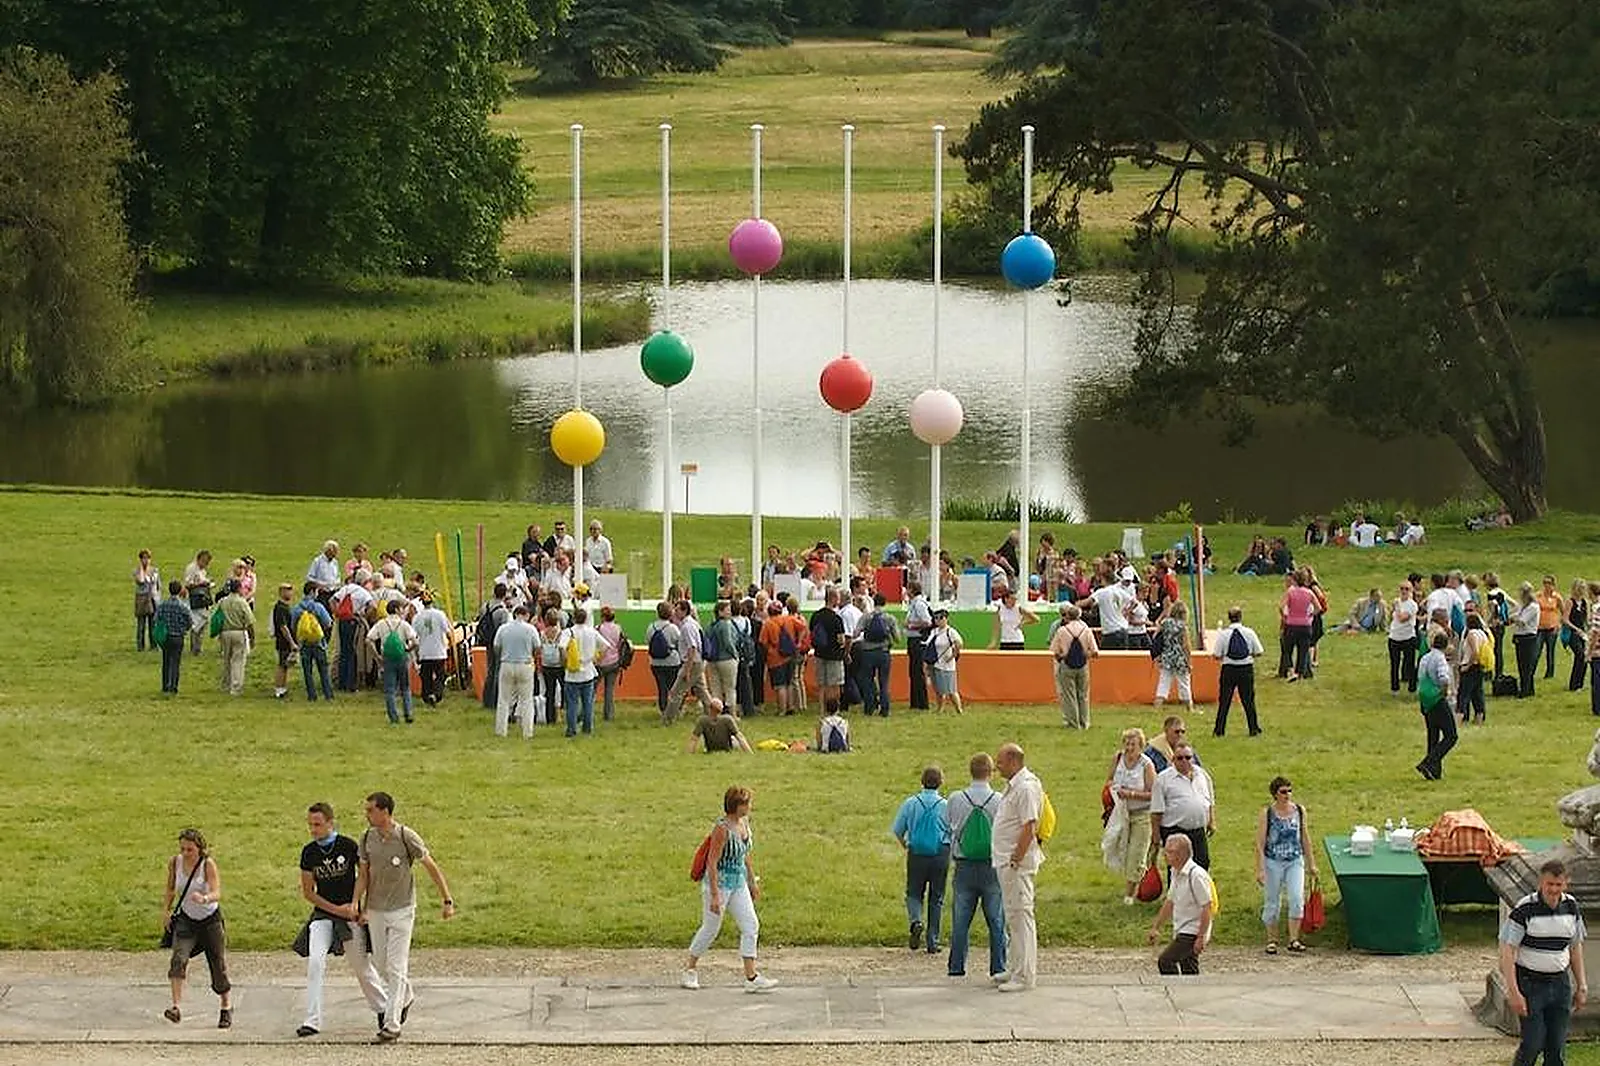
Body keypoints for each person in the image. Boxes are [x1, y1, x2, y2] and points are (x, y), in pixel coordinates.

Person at [356, 791, 456, 1044]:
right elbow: (364, 875)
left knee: (396, 965)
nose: (366, 814)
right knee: (380, 964)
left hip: (402, 910)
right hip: (377, 909)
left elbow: (431, 866)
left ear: (385, 811)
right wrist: (357, 904)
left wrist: (447, 900)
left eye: (370, 810)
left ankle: (391, 1024)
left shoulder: (405, 836)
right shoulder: (367, 838)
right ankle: (406, 994)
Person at [296, 803, 385, 1038]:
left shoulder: (347, 845)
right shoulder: (309, 853)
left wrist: (360, 907)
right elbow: (309, 892)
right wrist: (336, 909)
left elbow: (366, 877)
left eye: (317, 824)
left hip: (351, 915)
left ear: (330, 823)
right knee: (316, 962)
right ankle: (312, 1019)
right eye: (310, 825)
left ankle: (383, 1008)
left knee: (361, 966)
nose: (313, 830)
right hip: (324, 915)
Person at [682, 786, 777, 993]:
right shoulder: (722, 830)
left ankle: (751, 977)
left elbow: (744, 854)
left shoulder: (744, 823)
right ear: (737, 806)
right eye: (747, 804)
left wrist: (751, 881)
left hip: (738, 882)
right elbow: (712, 863)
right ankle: (690, 968)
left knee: (750, 925)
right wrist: (715, 895)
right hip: (720, 884)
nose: (750, 807)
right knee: (710, 928)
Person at [1500, 858, 1587, 1066]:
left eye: (1558, 885)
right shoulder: (1525, 908)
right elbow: (1508, 949)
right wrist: (1513, 991)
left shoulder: (1571, 906)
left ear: (1566, 883)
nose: (1553, 890)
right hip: (1530, 984)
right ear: (1541, 882)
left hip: (1560, 983)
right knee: (1532, 1043)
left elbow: (1575, 947)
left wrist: (1581, 984)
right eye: (1549, 884)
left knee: (1556, 1046)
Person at [161, 827, 232, 1028]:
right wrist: (166, 911)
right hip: (186, 919)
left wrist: (205, 897)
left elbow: (217, 892)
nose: (185, 853)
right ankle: (176, 1006)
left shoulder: (207, 865)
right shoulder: (175, 863)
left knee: (217, 964)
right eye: (182, 849)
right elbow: (170, 888)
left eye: (190, 849)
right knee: (178, 958)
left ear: (199, 849)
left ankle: (225, 1006)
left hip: (210, 919)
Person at [947, 752, 1007, 980]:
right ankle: (999, 966)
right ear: (991, 773)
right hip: (991, 866)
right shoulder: (999, 800)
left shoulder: (956, 798)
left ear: (970, 771)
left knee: (961, 920)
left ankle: (956, 966)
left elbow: (949, 826)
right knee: (996, 919)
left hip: (964, 865)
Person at [991, 742, 1044, 992]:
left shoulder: (1025, 788)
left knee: (1021, 915)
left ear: (1013, 761)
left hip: (1016, 864)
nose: (997, 766)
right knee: (1013, 915)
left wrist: (1016, 858)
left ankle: (1024, 975)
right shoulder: (1013, 786)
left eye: (1000, 762)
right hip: (1006, 861)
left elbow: (1029, 825)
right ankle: (1015, 967)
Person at [891, 766, 951, 954]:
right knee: (937, 897)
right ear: (940, 783)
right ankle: (933, 941)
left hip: (917, 852)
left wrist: (906, 845)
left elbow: (898, 829)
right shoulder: (945, 805)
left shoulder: (911, 803)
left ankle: (916, 920)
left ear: (922, 782)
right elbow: (953, 830)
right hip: (940, 853)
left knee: (914, 892)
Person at [1255, 776, 1317, 954]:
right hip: (1273, 860)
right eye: (1283, 791)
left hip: (1294, 860)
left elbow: (1304, 836)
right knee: (1272, 901)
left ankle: (1294, 939)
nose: (1287, 795)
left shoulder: (1299, 810)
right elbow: (1259, 842)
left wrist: (1311, 862)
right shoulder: (1267, 813)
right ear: (1275, 794)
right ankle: (1272, 939)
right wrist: (1259, 868)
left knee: (1297, 898)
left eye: (1289, 791)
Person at [1147, 833, 1214, 975]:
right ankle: (1192, 995)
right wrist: (1156, 927)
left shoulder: (1196, 876)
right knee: (1189, 967)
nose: (1165, 855)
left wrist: (1201, 937)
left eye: (1170, 852)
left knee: (1166, 961)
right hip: (1182, 928)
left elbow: (1207, 907)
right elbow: (1170, 902)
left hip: (1192, 930)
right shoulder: (1175, 872)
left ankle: (1174, 991)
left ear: (1182, 854)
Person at [1105, 728, 1157, 904]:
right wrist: (1112, 788)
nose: (1129, 747)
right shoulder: (1118, 758)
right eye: (1126, 743)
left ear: (1141, 746)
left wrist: (1131, 794)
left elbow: (1153, 793)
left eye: (1133, 744)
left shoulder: (1146, 764)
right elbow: (1109, 780)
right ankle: (1137, 882)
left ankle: (1129, 895)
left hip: (1142, 814)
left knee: (1137, 853)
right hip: (1122, 813)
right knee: (1120, 849)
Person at [1150, 742, 1214, 869]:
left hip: (1197, 830)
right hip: (1174, 830)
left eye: (1188, 757)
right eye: (1180, 758)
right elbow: (1156, 810)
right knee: (1176, 867)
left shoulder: (1202, 775)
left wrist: (1211, 820)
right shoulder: (1163, 779)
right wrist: (1156, 836)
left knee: (1202, 863)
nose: (1184, 761)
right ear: (1173, 760)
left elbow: (1209, 798)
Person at [1211, 606, 1264, 736]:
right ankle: (1253, 728)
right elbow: (1259, 651)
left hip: (1228, 668)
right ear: (1241, 617)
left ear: (1229, 618)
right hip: (1246, 668)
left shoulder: (1223, 634)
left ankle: (1219, 729)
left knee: (1224, 701)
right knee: (1248, 700)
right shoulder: (1249, 632)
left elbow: (1217, 654)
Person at [557, 607, 611, 737]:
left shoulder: (568, 632)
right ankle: (587, 728)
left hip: (572, 673)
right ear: (586, 618)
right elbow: (606, 646)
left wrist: (565, 662)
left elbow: (562, 648)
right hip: (588, 671)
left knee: (572, 703)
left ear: (574, 618)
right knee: (588, 703)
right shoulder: (592, 632)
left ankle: (571, 729)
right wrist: (596, 659)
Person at [492, 606, 540, 738]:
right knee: (526, 700)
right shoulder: (531, 629)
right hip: (525, 664)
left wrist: (503, 655)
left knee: (503, 699)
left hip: (507, 663)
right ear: (525, 615)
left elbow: (496, 647)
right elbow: (537, 647)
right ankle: (527, 731)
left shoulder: (503, 628)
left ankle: (501, 730)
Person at [368, 601, 419, 725]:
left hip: (387, 658)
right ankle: (408, 714)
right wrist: (408, 649)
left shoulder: (381, 624)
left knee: (390, 689)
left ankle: (393, 717)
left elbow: (368, 640)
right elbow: (415, 642)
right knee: (405, 687)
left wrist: (377, 657)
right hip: (402, 657)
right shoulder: (404, 624)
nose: (403, 610)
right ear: (397, 610)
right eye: (401, 608)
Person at [1416, 630, 1458, 780]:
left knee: (1433, 735)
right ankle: (1428, 762)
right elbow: (1444, 679)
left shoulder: (1425, 657)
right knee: (1451, 736)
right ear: (1446, 645)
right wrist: (1444, 693)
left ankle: (1434, 772)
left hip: (1425, 699)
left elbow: (1420, 676)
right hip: (1437, 699)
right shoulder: (1440, 659)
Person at [1049, 603, 1097, 729]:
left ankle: (1073, 722)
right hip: (1083, 664)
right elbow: (1095, 652)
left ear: (1067, 617)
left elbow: (1054, 650)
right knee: (1083, 695)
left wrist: (1062, 656)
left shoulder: (1062, 630)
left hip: (1066, 664)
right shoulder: (1086, 630)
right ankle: (1084, 722)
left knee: (1069, 695)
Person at [666, 600, 713, 724]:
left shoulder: (687, 627)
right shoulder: (692, 623)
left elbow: (692, 648)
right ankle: (713, 714)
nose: (675, 612)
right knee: (702, 690)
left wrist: (687, 670)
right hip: (698, 662)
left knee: (676, 692)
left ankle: (668, 719)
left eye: (677, 610)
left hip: (691, 662)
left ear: (684, 611)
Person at [852, 593, 899, 717]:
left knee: (867, 680)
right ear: (885, 603)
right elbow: (898, 638)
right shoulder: (890, 618)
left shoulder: (866, 617)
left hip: (868, 652)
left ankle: (869, 707)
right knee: (884, 682)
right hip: (883, 653)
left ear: (873, 602)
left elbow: (856, 633)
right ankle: (885, 709)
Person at [292, 581, 336, 702]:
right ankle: (328, 695)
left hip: (304, 643)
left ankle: (312, 695)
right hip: (318, 642)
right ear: (312, 592)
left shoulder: (297, 608)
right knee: (323, 670)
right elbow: (328, 623)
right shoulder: (318, 607)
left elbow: (293, 625)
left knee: (307, 671)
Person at [808, 587, 849, 708]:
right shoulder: (836, 619)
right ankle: (833, 708)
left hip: (820, 653)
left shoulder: (816, 616)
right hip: (834, 655)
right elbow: (841, 639)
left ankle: (822, 708)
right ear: (834, 599)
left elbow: (811, 632)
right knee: (834, 684)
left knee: (822, 684)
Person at [214, 580, 255, 697]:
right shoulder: (242, 602)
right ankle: (235, 687)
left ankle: (226, 684)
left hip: (225, 632)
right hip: (238, 631)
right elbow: (249, 621)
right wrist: (252, 638)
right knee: (238, 660)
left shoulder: (223, 601)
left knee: (226, 659)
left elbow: (216, 616)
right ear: (239, 588)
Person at [645, 601, 684, 722]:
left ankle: (663, 710)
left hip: (655, 662)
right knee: (673, 687)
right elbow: (679, 643)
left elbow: (648, 641)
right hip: (672, 661)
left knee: (661, 688)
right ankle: (674, 711)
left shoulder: (651, 627)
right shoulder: (673, 628)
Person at [1153, 601, 1193, 711]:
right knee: (1184, 683)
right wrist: (1189, 661)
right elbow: (1186, 645)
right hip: (1180, 658)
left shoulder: (1165, 623)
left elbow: (1156, 637)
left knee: (1163, 683)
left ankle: (1157, 706)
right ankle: (1189, 708)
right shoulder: (1182, 626)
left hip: (1167, 657)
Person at [154, 581, 194, 694]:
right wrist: (184, 629)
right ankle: (174, 686)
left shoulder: (163, 605)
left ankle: (165, 685)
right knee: (176, 662)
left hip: (166, 636)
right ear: (180, 590)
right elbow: (190, 622)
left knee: (166, 661)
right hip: (178, 637)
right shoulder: (183, 606)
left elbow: (156, 619)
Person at [412, 593, 450, 706]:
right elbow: (447, 631)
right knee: (440, 675)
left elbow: (414, 635)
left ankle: (427, 695)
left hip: (425, 651)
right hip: (439, 650)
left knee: (426, 676)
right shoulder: (440, 615)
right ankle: (437, 694)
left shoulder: (417, 617)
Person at [1279, 571, 1317, 681]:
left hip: (1291, 624)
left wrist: (1285, 616)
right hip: (1305, 625)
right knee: (1303, 650)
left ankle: (1290, 671)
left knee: (1287, 649)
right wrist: (1310, 615)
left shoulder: (1290, 592)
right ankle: (1300, 672)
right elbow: (1318, 607)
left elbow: (1281, 607)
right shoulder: (1309, 592)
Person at [927, 608, 965, 715]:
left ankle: (959, 710)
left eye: (941, 618)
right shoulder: (934, 632)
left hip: (947, 665)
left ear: (946, 619)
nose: (938, 620)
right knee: (939, 690)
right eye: (936, 618)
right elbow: (928, 645)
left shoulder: (951, 632)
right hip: (935, 664)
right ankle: (940, 709)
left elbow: (959, 643)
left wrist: (953, 655)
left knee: (951, 690)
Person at [1458, 613, 1491, 724]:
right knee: (1477, 694)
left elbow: (1475, 652)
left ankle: (1460, 717)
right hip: (1480, 667)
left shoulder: (1472, 634)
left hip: (1470, 667)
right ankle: (1479, 717)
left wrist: (1467, 665)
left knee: (1463, 694)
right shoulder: (1483, 633)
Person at [904, 581, 933, 710]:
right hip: (913, 640)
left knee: (918, 672)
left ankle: (922, 702)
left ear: (912, 590)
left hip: (918, 640)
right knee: (913, 672)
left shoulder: (919, 604)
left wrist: (911, 626)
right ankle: (915, 701)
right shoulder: (914, 604)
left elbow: (927, 622)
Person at [686, 697, 751, 753]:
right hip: (727, 748)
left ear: (710, 708)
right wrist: (749, 752)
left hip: (711, 748)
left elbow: (694, 739)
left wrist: (689, 753)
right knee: (734, 739)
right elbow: (740, 737)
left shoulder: (702, 720)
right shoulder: (727, 719)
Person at [595, 605, 626, 723]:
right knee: (609, 690)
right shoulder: (618, 628)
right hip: (614, 662)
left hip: (601, 662)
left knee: (592, 690)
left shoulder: (599, 628)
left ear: (603, 617)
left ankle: (586, 713)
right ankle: (609, 715)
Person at [183, 550, 215, 655]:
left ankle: (198, 647)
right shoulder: (191, 568)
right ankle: (194, 648)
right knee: (196, 625)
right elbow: (187, 584)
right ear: (198, 559)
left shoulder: (203, 570)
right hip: (194, 600)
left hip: (203, 600)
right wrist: (201, 583)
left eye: (207, 563)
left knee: (203, 624)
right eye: (204, 562)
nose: (205, 565)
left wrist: (208, 583)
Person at [1514, 581, 1542, 699]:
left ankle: (1526, 690)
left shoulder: (1533, 607)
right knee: (1521, 664)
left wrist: (1514, 618)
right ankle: (1527, 688)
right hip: (1520, 637)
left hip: (1528, 637)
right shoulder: (1523, 606)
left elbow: (1523, 621)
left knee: (1527, 664)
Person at [1537, 574, 1563, 681]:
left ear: (1553, 585)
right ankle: (1532, 669)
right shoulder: (1538, 596)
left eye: (1549, 583)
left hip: (1552, 628)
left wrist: (1558, 624)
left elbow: (1563, 611)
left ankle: (1550, 672)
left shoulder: (1557, 597)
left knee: (1550, 651)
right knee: (1537, 650)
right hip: (1540, 627)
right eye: (1545, 583)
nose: (1547, 586)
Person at [134, 549, 161, 651]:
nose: (146, 560)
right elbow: (141, 580)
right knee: (141, 624)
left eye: (148, 558)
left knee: (153, 624)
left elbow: (158, 585)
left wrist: (158, 598)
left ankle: (153, 645)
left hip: (153, 599)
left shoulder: (155, 570)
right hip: (142, 599)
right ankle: (140, 646)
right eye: (144, 558)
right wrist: (142, 569)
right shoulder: (137, 571)